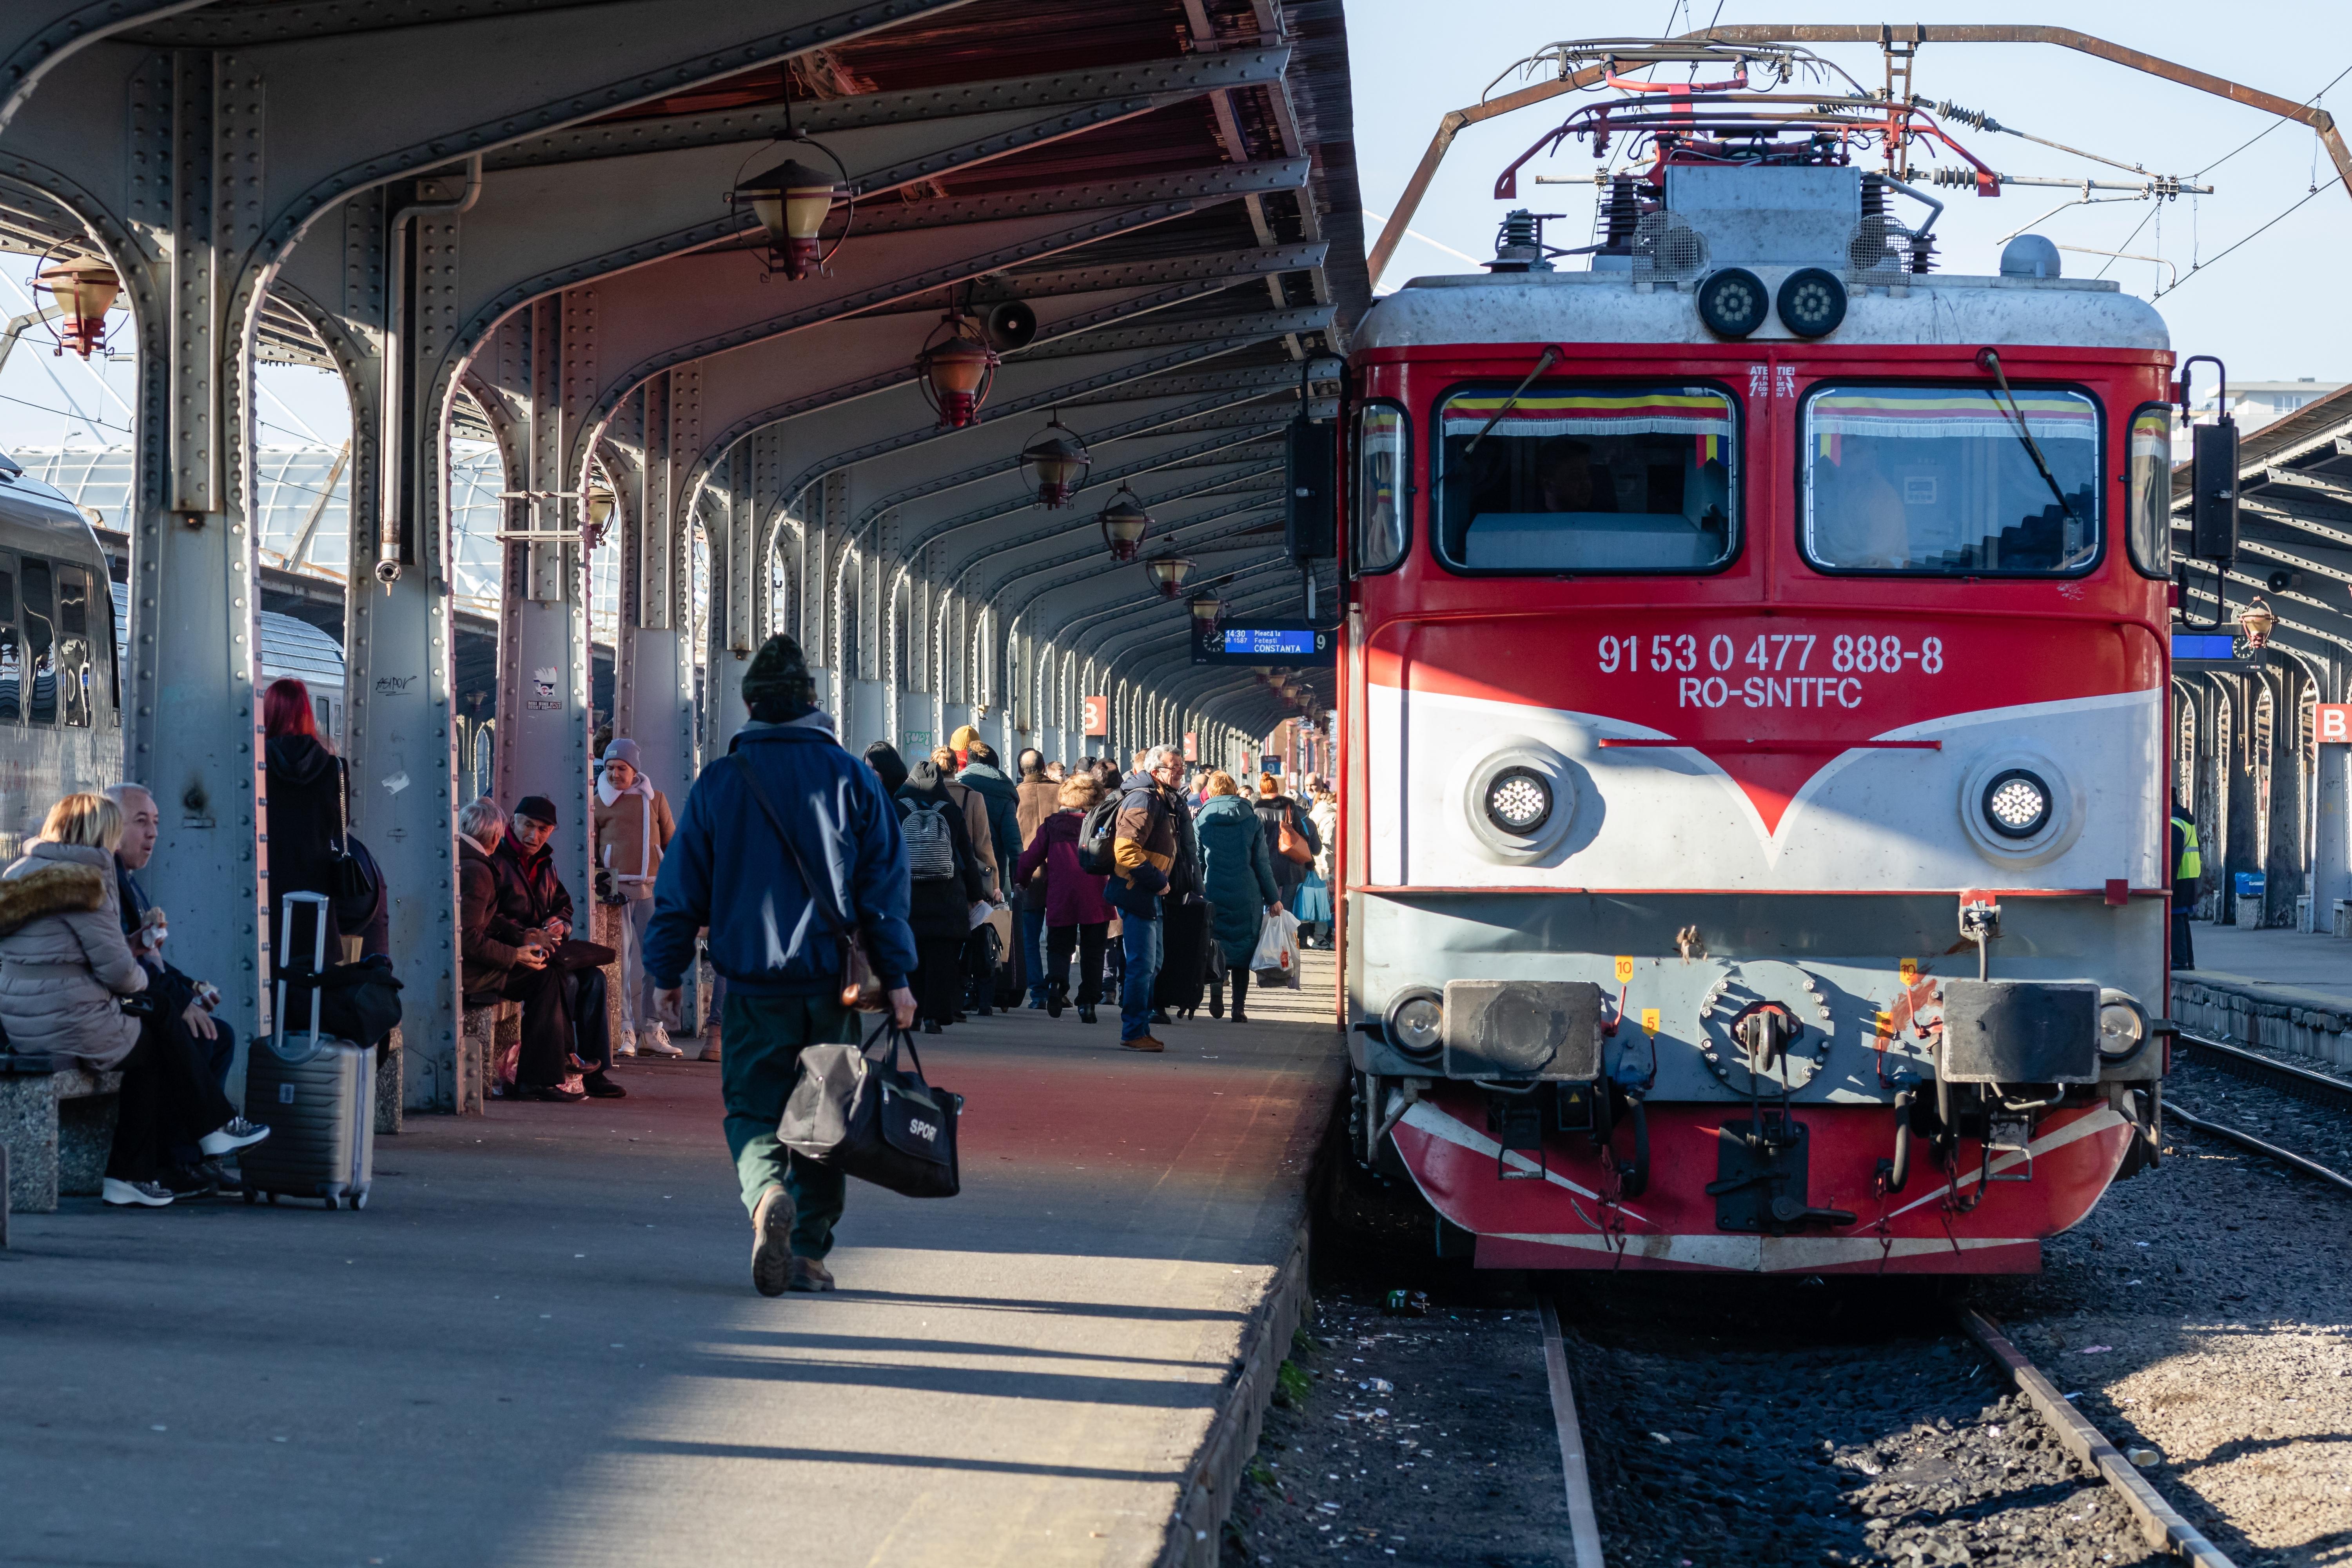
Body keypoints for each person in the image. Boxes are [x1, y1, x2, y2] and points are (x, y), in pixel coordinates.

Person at [644, 635, 918, 1297]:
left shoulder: (720, 782)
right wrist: (901, 977)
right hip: (835, 986)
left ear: (750, 706)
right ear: (812, 705)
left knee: (750, 1105)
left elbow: (681, 888)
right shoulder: (855, 778)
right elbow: (885, 889)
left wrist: (667, 971)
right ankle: (808, 1252)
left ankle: (767, 1192)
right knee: (828, 1119)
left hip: (752, 984)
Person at [0, 793, 265, 1206]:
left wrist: (130, 946)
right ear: (99, 832)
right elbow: (119, 974)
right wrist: (139, 967)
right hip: (68, 1022)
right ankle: (174, 1149)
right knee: (159, 1028)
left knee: (156, 1024)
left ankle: (183, 1146)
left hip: (23, 1021)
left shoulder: (20, 873)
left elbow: (62, 952)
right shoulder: (84, 880)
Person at [105, 783, 250, 1196]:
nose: (152, 833)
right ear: (110, 827)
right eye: (140, 822)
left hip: (127, 997)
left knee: (217, 1035)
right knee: (189, 1036)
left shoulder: (126, 881)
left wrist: (187, 987)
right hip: (107, 1006)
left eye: (155, 822)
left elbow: (138, 954)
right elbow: (120, 963)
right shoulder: (104, 883)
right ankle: (178, 1160)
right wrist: (178, 998)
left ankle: (195, 1155)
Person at [495, 796, 623, 1099]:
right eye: (528, 825)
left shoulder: (545, 863)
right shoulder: (496, 860)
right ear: (513, 821)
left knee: (594, 980)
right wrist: (525, 936)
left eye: (543, 829)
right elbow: (489, 916)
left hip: (542, 952)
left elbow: (563, 906)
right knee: (565, 980)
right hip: (509, 954)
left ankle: (595, 1072)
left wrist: (559, 924)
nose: (534, 836)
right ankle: (561, 1064)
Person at [455, 798, 578, 1102]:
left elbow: (484, 919)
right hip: (469, 971)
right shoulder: (479, 870)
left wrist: (523, 935)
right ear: (499, 834)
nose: (534, 836)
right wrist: (514, 955)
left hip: (471, 962)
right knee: (544, 977)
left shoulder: (463, 857)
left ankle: (559, 1063)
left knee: (558, 973)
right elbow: (467, 939)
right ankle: (540, 1077)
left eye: (544, 829)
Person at [593, 738, 679, 1059]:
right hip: (616, 893)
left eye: (622, 768)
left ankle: (652, 1029)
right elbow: (591, 849)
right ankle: (625, 1028)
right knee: (623, 964)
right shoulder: (599, 801)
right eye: (611, 768)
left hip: (652, 889)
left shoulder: (656, 799)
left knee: (656, 959)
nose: (615, 774)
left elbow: (673, 844)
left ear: (635, 769)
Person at [897, 757, 990, 1033]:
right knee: (941, 959)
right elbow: (966, 856)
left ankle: (912, 1015)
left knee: (912, 956)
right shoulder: (949, 809)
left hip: (908, 896)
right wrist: (976, 894)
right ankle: (934, 1017)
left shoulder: (897, 806)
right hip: (946, 895)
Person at [263, 676, 352, 961]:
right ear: (307, 714)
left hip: (267, 886)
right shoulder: (335, 768)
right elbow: (340, 827)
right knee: (312, 977)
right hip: (316, 888)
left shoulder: (253, 765)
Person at [1107, 745, 1187, 1052]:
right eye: (1173, 767)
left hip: (1148, 892)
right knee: (1142, 965)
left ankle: (1140, 1027)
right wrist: (1157, 880)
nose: (1180, 771)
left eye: (1181, 766)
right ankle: (1134, 1031)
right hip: (1136, 890)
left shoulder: (1161, 798)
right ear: (1156, 772)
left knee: (1152, 963)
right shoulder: (1144, 798)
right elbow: (1125, 849)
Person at [1015, 772, 1112, 1022]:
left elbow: (1030, 858)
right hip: (1096, 894)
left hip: (1062, 894)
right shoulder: (1103, 825)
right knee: (1094, 950)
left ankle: (1057, 984)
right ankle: (1089, 1002)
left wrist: (1022, 881)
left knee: (1059, 946)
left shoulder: (1053, 825)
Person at [1195, 771, 1280, 1024]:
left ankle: (1217, 989)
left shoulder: (1202, 820)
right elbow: (1262, 863)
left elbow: (1197, 861)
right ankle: (1239, 1009)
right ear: (1234, 790)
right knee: (1244, 950)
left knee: (1216, 942)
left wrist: (1197, 892)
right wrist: (1274, 897)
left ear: (1210, 792)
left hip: (1213, 890)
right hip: (1247, 893)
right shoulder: (1251, 820)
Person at [957, 741, 1024, 1011]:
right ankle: (989, 992)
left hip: (960, 870)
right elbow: (1012, 840)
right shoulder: (1005, 791)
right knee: (989, 933)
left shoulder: (959, 787)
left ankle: (963, 989)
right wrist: (1019, 876)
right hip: (993, 874)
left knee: (963, 929)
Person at [1012, 749, 1058, 1009]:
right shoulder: (1061, 792)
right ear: (1044, 766)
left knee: (1029, 937)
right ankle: (1056, 987)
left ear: (1021, 771)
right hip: (1061, 873)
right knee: (1057, 935)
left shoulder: (1016, 796)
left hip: (1029, 875)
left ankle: (1038, 993)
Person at [1254, 772, 1321, 914]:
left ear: (1261, 790)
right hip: (1292, 863)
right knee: (1287, 907)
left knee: (1268, 905)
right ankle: (1286, 935)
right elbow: (1302, 833)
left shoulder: (1257, 810)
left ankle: (1269, 934)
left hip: (1267, 866)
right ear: (1277, 789)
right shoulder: (1289, 806)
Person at [2171, 799, 2201, 970]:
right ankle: (2188, 961)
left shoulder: (2174, 822)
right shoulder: (2186, 821)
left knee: (2175, 918)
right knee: (2182, 919)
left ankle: (2179, 960)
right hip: (2190, 876)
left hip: (2180, 878)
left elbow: (2173, 857)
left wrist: (2169, 884)